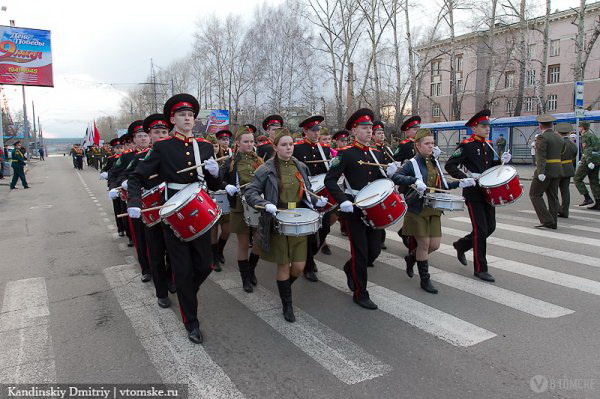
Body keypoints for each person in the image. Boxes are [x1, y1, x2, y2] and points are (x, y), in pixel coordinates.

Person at [127, 93, 221, 344]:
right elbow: (137, 177)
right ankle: (191, 322)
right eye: (182, 115)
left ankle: (183, 287)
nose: (188, 118)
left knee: (205, 265)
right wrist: (134, 202)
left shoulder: (204, 146)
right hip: (172, 214)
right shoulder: (162, 147)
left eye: (190, 115)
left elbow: (214, 183)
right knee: (182, 268)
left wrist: (215, 173)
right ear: (173, 119)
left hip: (200, 211)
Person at [245, 128, 326, 322]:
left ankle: (285, 288)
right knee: (283, 265)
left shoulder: (300, 166)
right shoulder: (266, 169)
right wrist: (266, 205)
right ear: (275, 147)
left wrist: (316, 202)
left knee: (298, 267)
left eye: (291, 144)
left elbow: (308, 191)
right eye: (284, 145)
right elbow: (250, 192)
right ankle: (287, 305)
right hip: (277, 220)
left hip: (299, 218)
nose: (289, 148)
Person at [390, 129, 474, 293]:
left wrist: (461, 182)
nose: (431, 146)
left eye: (432, 143)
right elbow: (396, 177)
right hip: (417, 209)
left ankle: (411, 258)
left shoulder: (433, 161)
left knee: (434, 245)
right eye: (427, 144)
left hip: (434, 208)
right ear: (418, 145)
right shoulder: (412, 163)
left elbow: (442, 184)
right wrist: (413, 180)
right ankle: (425, 280)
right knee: (424, 244)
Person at [324, 108, 386, 309]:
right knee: (360, 252)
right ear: (354, 130)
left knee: (374, 251)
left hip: (374, 208)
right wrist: (342, 200)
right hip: (354, 208)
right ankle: (361, 293)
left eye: (370, 127)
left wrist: (391, 175)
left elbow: (380, 182)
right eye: (364, 128)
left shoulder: (377, 153)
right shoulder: (346, 154)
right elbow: (330, 180)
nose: (369, 131)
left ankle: (349, 268)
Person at [445, 109, 511, 282]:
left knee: (490, 227)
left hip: (489, 192)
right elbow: (450, 166)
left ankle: (461, 245)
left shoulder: (488, 144)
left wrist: (502, 160)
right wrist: (465, 177)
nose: (487, 129)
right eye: (483, 126)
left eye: (488, 126)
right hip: (473, 192)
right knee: (481, 230)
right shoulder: (467, 145)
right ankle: (481, 269)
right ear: (474, 128)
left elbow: (491, 166)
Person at [221, 126, 263, 292]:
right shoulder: (230, 161)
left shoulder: (259, 160)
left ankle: (251, 268)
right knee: (243, 243)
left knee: (259, 241)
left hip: (257, 204)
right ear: (237, 143)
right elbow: (218, 179)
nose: (249, 144)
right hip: (239, 206)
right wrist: (227, 186)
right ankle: (245, 277)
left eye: (251, 141)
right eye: (245, 141)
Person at [293, 115, 332, 282]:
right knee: (309, 232)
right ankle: (308, 265)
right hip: (304, 194)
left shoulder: (325, 149)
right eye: (313, 131)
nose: (317, 134)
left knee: (325, 228)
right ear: (305, 131)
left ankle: (311, 255)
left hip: (322, 194)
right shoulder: (297, 148)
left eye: (318, 130)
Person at [529, 114, 564, 229]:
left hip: (545, 170)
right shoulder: (559, 137)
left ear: (540, 126)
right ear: (552, 125)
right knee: (553, 196)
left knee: (534, 194)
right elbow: (562, 152)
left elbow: (541, 156)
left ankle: (547, 220)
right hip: (557, 169)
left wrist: (541, 172)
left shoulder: (542, 137)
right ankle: (553, 222)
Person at [372, 120, 395, 251]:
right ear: (373, 136)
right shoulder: (373, 149)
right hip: (378, 182)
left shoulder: (386, 148)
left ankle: (380, 236)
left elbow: (393, 160)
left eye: (382, 133)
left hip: (388, 181)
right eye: (378, 133)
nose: (381, 135)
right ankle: (380, 238)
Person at [101, 138, 127, 237]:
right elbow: (105, 169)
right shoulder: (112, 159)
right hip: (115, 186)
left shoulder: (127, 157)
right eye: (117, 148)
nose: (119, 149)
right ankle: (120, 228)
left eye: (121, 147)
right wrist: (104, 173)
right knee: (117, 208)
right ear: (114, 149)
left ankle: (128, 229)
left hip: (124, 184)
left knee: (125, 208)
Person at [573, 122, 600, 209]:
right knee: (594, 181)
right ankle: (598, 202)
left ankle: (587, 198)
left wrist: (587, 162)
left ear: (583, 128)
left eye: (580, 127)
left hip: (589, 159)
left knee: (577, 179)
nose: (579, 129)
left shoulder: (585, 136)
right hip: (596, 160)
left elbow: (587, 149)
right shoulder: (592, 135)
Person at [556, 122, 577, 218]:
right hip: (569, 168)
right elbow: (574, 156)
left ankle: (557, 209)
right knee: (565, 191)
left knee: (553, 190)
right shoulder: (573, 144)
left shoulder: (558, 143)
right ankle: (565, 211)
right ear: (568, 132)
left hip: (558, 168)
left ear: (558, 132)